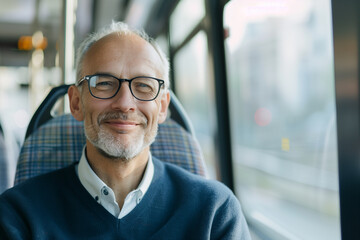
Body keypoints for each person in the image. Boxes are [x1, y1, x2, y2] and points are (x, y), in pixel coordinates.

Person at [0, 21, 251, 239]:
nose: (124, 103)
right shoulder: (19, 214)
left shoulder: (214, 211)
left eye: (143, 86)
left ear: (162, 107)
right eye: (104, 83)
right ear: (76, 103)